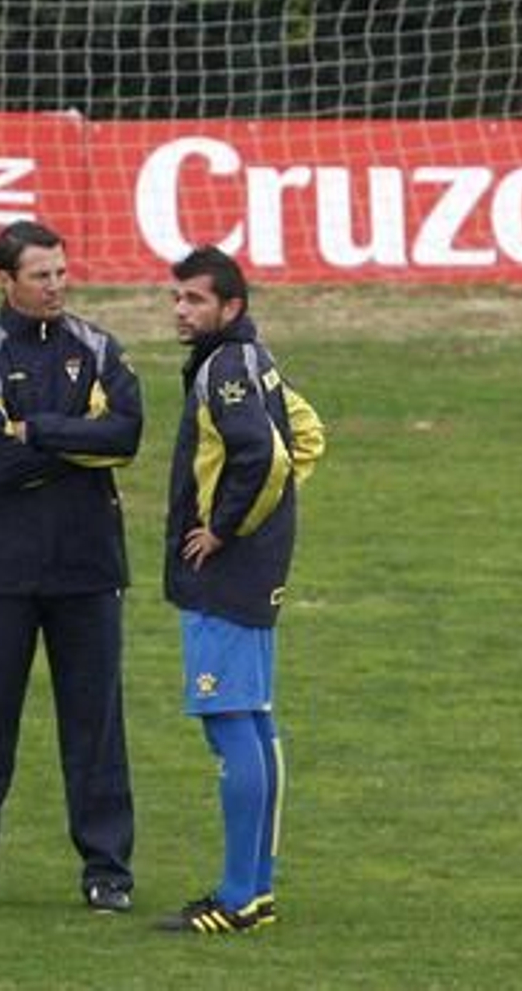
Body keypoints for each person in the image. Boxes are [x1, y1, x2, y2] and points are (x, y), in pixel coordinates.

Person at [0, 220, 142, 914]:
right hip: (1, 569)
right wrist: (79, 440)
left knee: (96, 728)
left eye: (61, 272)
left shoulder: (99, 347)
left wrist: (38, 428)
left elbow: (127, 434)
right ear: (6, 281)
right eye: (40, 275)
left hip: (89, 567)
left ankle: (107, 869)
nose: (56, 286)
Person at [154, 245, 325, 935]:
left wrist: (226, 528)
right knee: (254, 717)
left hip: (227, 571)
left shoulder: (225, 369)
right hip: (258, 564)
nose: (180, 310)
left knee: (230, 724)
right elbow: (308, 435)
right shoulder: (255, 358)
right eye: (176, 297)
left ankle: (237, 897)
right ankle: (255, 890)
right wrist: (272, 518)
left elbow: (267, 453)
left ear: (231, 307)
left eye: (194, 299)